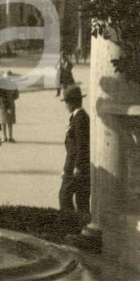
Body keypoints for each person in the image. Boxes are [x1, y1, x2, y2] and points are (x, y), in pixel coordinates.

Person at [59, 85, 90, 214]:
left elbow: (82, 145)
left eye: (66, 102)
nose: (65, 105)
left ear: (72, 102)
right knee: (81, 199)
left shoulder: (80, 118)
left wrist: (77, 166)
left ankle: (70, 224)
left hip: (75, 166)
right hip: (74, 165)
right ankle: (79, 224)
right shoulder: (76, 117)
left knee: (64, 196)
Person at [0, 71, 19, 143]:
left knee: (3, 121)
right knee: (10, 122)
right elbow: (17, 96)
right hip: (11, 104)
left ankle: (5, 137)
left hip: (3, 104)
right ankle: (10, 137)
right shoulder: (14, 84)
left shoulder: (1, 85)